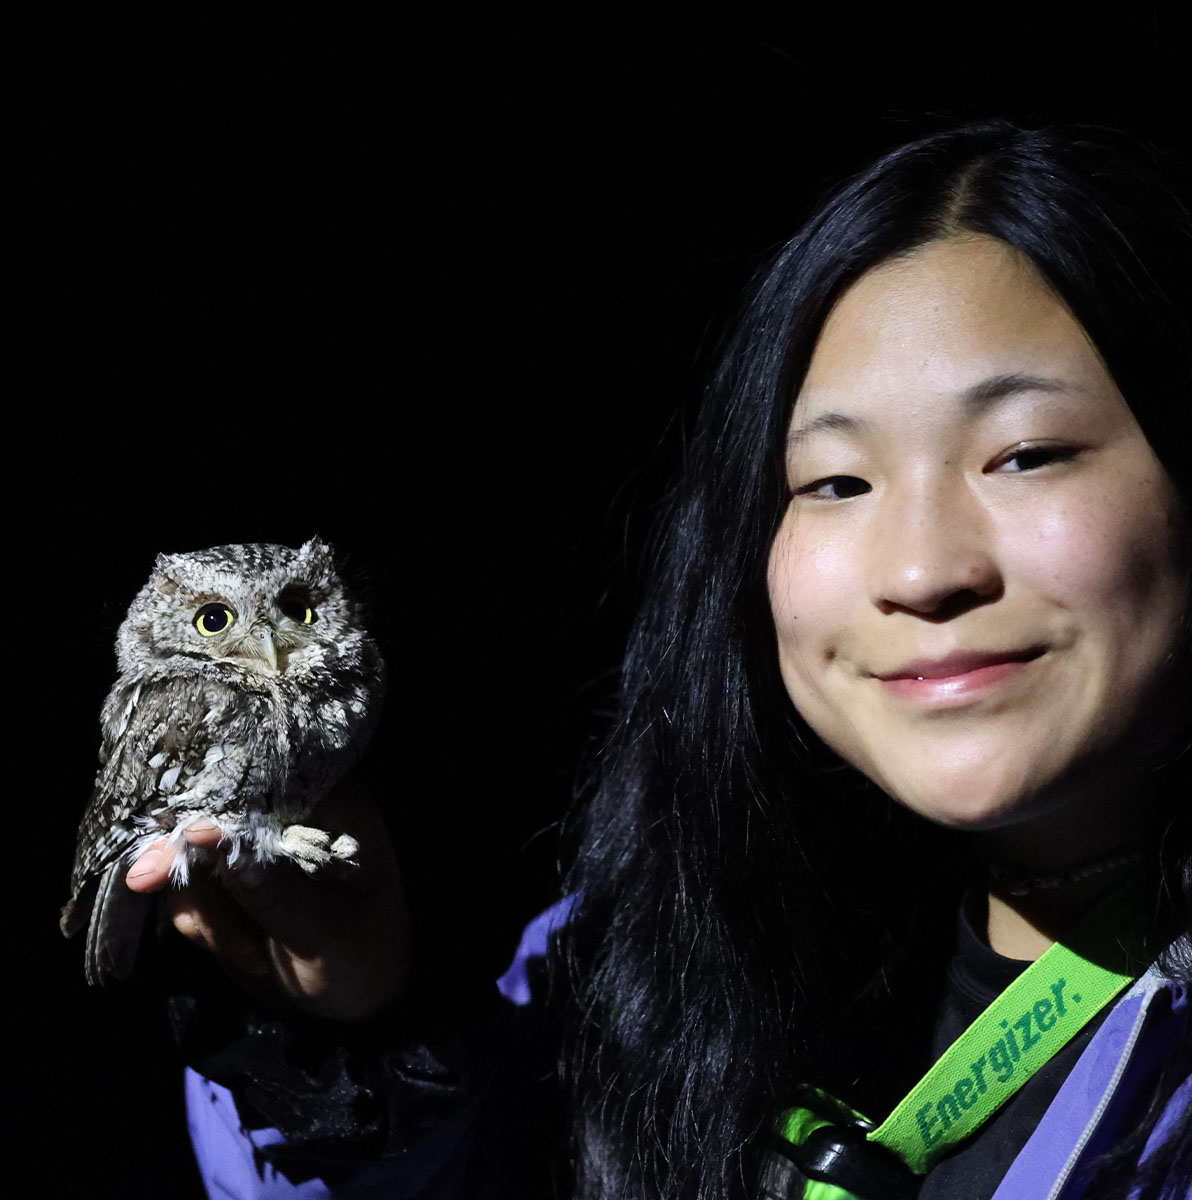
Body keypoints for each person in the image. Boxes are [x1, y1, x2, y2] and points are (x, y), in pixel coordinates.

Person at [124, 121, 1191, 1199]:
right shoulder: (662, 967)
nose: (921, 570)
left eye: (1025, 455)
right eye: (835, 481)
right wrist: (359, 1019)